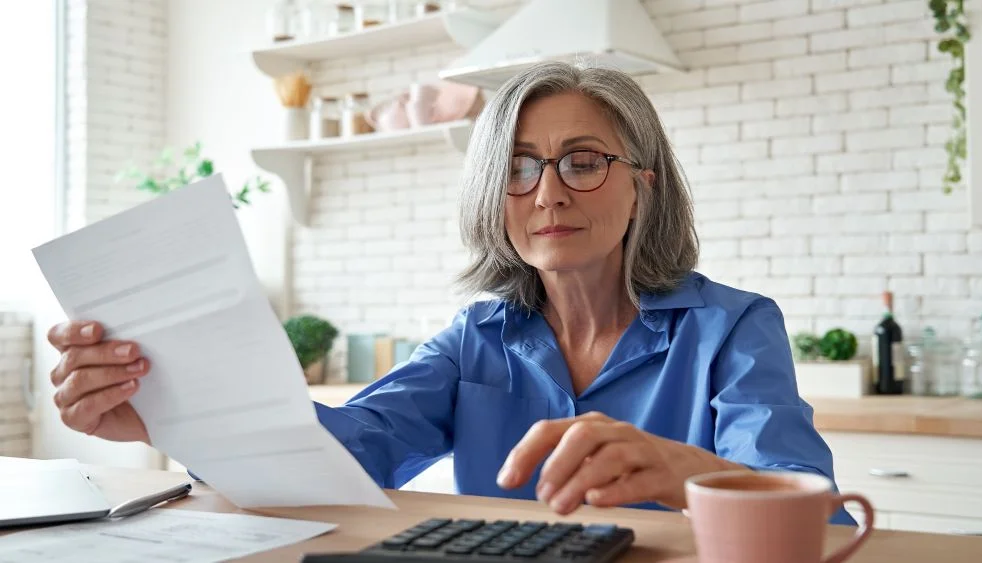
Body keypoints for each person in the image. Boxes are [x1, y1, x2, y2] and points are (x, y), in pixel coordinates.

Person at [46, 62, 855, 525]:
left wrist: (681, 471)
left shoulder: (733, 328)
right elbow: (340, 451)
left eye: (582, 160)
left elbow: (824, 520)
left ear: (641, 186)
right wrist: (166, 408)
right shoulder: (477, 338)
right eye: (517, 167)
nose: (547, 194)